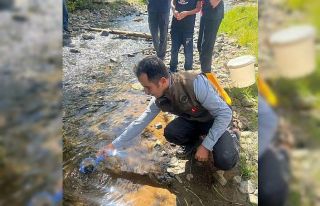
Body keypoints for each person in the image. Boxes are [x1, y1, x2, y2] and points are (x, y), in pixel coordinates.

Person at [98, 56, 239, 170]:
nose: (146, 92)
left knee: (225, 161)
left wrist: (206, 146)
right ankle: (196, 144)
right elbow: (140, 123)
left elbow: (225, 113)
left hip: (216, 119)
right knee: (171, 132)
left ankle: (232, 135)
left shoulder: (194, 83)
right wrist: (113, 145)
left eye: (148, 87)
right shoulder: (159, 98)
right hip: (194, 120)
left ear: (163, 81)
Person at [169, 0, 201, 73]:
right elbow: (172, 2)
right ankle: (172, 69)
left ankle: (188, 70)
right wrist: (174, 10)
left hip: (188, 29)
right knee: (174, 49)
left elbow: (198, 8)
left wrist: (187, 13)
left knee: (188, 51)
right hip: (175, 28)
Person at [197, 0, 224, 73]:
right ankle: (204, 70)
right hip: (205, 14)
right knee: (200, 45)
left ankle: (206, 73)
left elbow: (214, 3)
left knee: (206, 47)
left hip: (213, 16)